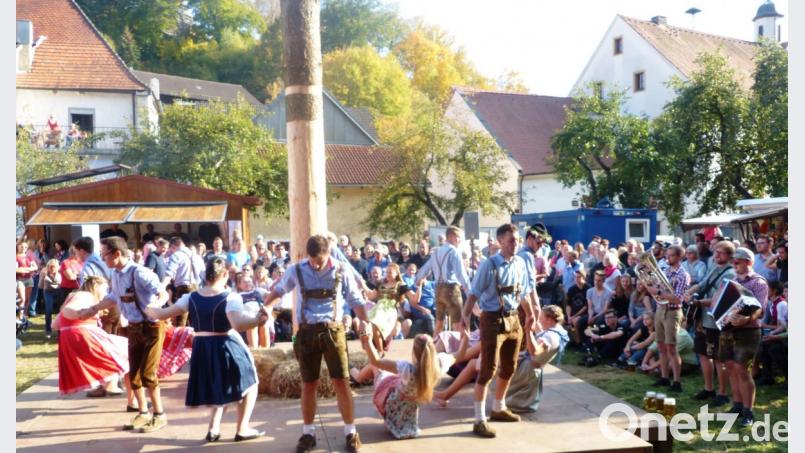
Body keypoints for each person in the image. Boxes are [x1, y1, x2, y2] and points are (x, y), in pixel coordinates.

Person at [263, 235, 370, 453]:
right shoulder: (297, 269)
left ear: (328, 253)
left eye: (319, 260)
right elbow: (279, 290)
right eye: (312, 260)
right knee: (308, 384)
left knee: (341, 381)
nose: (315, 264)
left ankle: (351, 432)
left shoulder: (341, 269)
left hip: (334, 331)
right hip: (306, 333)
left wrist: (366, 323)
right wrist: (265, 308)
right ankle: (308, 433)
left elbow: (356, 300)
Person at [144, 258, 268, 442]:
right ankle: (242, 429)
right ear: (225, 274)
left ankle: (213, 428)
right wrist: (259, 320)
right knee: (250, 383)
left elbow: (161, 314)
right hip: (225, 345)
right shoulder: (230, 296)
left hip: (202, 347)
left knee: (220, 386)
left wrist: (145, 307)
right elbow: (238, 324)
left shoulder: (191, 297)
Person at [460, 223, 535, 438]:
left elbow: (524, 293)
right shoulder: (489, 265)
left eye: (517, 239)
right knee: (487, 369)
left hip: (513, 320)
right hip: (492, 320)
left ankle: (498, 408)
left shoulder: (520, 263)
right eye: (511, 240)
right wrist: (464, 318)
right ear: (500, 241)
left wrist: (530, 315)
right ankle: (479, 420)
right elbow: (473, 294)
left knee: (509, 367)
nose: (516, 243)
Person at [90, 237, 170, 433]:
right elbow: (112, 297)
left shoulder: (140, 273)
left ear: (117, 254)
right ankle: (143, 413)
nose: (102, 258)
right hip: (134, 327)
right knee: (133, 373)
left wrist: (157, 305)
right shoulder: (115, 274)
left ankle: (159, 415)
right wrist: (92, 309)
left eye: (104, 254)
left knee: (148, 374)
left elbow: (163, 293)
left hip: (151, 327)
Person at [52, 276, 128, 396]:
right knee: (125, 348)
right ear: (96, 286)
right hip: (82, 334)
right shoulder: (85, 295)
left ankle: (106, 386)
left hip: (70, 337)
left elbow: (55, 324)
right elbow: (68, 310)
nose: (106, 292)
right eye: (105, 288)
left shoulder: (75, 296)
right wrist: (80, 314)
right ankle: (112, 387)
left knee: (112, 353)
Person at [360, 331, 440, 439]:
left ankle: (356, 375)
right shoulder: (437, 369)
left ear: (414, 352)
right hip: (409, 418)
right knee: (385, 373)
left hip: (391, 410)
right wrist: (465, 338)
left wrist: (367, 341)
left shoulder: (407, 368)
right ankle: (357, 375)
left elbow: (376, 361)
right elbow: (458, 356)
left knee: (376, 369)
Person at [684, 240, 736, 407]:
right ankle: (708, 388)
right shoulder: (714, 268)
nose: (716, 255)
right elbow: (702, 284)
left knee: (719, 358)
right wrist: (689, 292)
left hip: (717, 321)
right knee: (703, 354)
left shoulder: (731, 273)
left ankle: (722, 393)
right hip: (704, 318)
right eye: (715, 251)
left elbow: (718, 299)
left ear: (729, 255)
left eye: (721, 252)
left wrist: (698, 302)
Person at [722, 247, 768, 427]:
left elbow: (761, 310)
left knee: (743, 370)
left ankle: (748, 412)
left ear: (748, 261)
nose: (733, 264)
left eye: (737, 261)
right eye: (733, 261)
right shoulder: (732, 281)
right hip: (729, 329)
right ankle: (738, 405)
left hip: (749, 331)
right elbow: (725, 304)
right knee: (731, 367)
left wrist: (746, 319)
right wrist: (725, 316)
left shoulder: (759, 282)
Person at [505, 306, 569, 413]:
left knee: (477, 365)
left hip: (526, 371)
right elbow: (541, 330)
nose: (539, 320)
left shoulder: (551, 337)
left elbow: (535, 351)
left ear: (549, 319)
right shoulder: (560, 331)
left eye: (541, 318)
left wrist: (528, 332)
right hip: (532, 370)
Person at [647, 245, 689, 393]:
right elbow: (657, 287)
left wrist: (658, 291)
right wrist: (652, 286)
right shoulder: (664, 270)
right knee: (661, 346)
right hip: (660, 309)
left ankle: (677, 381)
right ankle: (664, 378)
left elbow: (678, 299)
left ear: (679, 257)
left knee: (671, 347)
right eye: (667, 255)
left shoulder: (682, 275)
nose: (667, 258)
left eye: (671, 256)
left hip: (672, 311)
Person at [415, 226, 472, 335]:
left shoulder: (436, 252)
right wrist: (469, 292)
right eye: (458, 237)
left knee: (439, 323)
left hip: (438, 290)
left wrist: (417, 280)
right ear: (450, 236)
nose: (460, 240)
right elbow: (461, 275)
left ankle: (433, 349)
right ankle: (459, 350)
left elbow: (425, 269)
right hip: (451, 290)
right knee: (458, 323)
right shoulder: (454, 251)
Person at [363, 263, 416, 352]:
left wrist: (420, 286)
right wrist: (363, 285)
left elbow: (414, 298)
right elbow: (371, 296)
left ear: (396, 273)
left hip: (390, 310)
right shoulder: (381, 284)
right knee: (369, 327)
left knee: (379, 327)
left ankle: (381, 349)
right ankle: (378, 350)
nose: (387, 274)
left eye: (390, 272)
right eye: (386, 272)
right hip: (378, 309)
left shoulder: (400, 285)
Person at [162, 237, 200, 326]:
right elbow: (202, 272)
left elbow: (169, 273)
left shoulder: (176, 255)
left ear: (173, 246)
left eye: (170, 249)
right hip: (196, 287)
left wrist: (161, 287)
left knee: (180, 321)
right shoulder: (195, 255)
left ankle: (181, 339)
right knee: (194, 320)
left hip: (183, 288)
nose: (170, 251)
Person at [236, 272, 270, 348]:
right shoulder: (237, 295)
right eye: (244, 282)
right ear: (239, 285)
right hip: (248, 316)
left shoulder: (258, 291)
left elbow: (270, 296)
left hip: (261, 313)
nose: (247, 283)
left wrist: (267, 307)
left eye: (249, 281)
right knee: (252, 326)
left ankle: (266, 350)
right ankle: (254, 350)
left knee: (264, 325)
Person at [564, 269, 590, 344]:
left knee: (575, 321)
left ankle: (578, 342)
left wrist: (574, 316)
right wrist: (569, 316)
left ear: (584, 277)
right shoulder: (572, 289)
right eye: (575, 277)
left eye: (578, 277)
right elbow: (568, 304)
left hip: (585, 313)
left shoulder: (588, 288)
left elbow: (586, 306)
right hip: (573, 313)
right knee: (561, 320)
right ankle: (569, 341)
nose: (576, 279)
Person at [39, 259, 62, 339]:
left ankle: (60, 331)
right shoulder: (44, 273)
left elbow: (60, 285)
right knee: (48, 310)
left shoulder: (60, 274)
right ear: (47, 267)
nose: (52, 268)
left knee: (60, 311)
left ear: (57, 267)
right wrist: (43, 278)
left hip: (58, 292)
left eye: (54, 267)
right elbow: (40, 286)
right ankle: (48, 330)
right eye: (50, 266)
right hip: (48, 292)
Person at [16, 241, 38, 318]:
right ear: (18, 247)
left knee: (27, 299)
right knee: (22, 298)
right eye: (21, 246)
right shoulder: (15, 257)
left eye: (25, 247)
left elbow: (35, 267)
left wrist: (24, 269)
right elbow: (16, 270)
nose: (23, 248)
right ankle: (20, 316)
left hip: (29, 279)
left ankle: (25, 315)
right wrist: (29, 269)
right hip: (19, 279)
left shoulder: (28, 257)